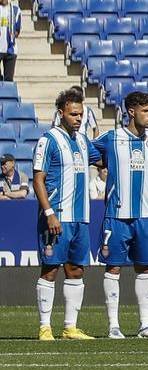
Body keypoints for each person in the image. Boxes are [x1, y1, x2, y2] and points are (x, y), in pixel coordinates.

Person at [94, 90, 148, 339]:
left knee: (144, 269)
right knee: (113, 268)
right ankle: (113, 325)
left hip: (144, 216)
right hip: (116, 215)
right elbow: (86, 153)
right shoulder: (111, 139)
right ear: (131, 112)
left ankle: (145, 325)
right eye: (145, 111)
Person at [33, 87, 94, 341]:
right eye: (73, 114)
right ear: (61, 114)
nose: (78, 119)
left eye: (80, 114)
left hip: (80, 218)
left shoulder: (82, 140)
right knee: (50, 269)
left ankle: (70, 327)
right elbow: (38, 179)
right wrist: (49, 213)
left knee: (76, 271)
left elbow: (102, 157)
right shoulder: (49, 140)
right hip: (56, 216)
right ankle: (45, 326)